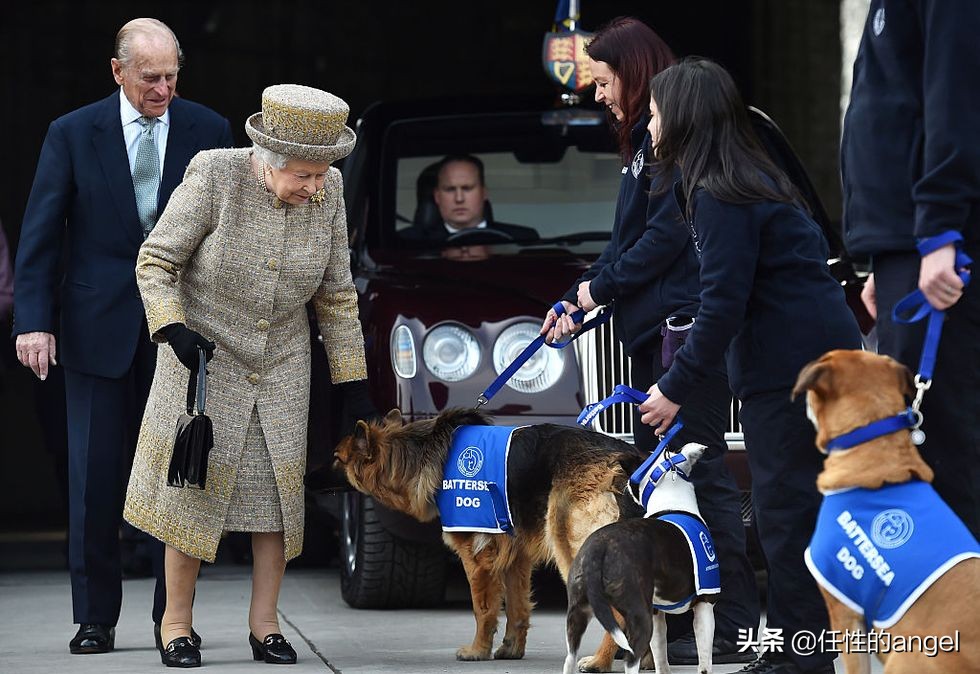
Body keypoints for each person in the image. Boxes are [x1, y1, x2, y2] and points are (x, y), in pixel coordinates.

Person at [123, 83, 375, 668]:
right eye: (304, 176)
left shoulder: (329, 189)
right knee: (191, 495)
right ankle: (176, 624)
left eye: (322, 174)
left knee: (277, 501)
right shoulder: (216, 175)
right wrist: (172, 329)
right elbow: (156, 261)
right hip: (203, 358)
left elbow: (336, 294)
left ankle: (265, 627)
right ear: (267, 162)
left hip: (282, 363)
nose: (315, 187)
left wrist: (351, 379)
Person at [540, 17, 760, 669]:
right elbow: (626, 244)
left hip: (680, 336)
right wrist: (587, 293)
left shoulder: (669, 149)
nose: (599, 95)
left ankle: (736, 621)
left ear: (634, 75)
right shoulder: (643, 144)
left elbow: (662, 240)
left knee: (702, 475)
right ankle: (691, 616)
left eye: (605, 81)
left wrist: (595, 292)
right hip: (654, 332)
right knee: (674, 483)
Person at [11, 18, 233, 655]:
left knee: (179, 478)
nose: (163, 89)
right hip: (95, 324)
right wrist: (33, 321)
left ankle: (174, 619)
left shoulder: (208, 130)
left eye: (171, 76)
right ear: (118, 72)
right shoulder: (73, 133)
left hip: (181, 330)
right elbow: (41, 234)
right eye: (150, 78)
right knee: (94, 477)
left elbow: (221, 237)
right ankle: (95, 617)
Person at [636, 57, 863, 674]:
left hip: (793, 371)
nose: (647, 125)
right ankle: (804, 649)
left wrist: (676, 387)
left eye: (654, 113)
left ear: (681, 118)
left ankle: (803, 659)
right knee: (790, 510)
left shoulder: (721, 195)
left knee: (785, 513)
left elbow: (723, 303)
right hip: (805, 361)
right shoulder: (741, 179)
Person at [841, 0, 979, 537]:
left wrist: (939, 231)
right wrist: (888, 253)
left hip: (936, 243)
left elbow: (957, 98)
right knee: (925, 449)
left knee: (944, 448)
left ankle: (958, 616)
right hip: (909, 244)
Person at [404, 154, 538, 243]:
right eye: (450, 189)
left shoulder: (522, 240)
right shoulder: (410, 242)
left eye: (467, 188)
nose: (459, 198)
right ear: (437, 197)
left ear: (484, 193)